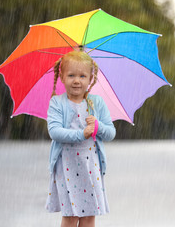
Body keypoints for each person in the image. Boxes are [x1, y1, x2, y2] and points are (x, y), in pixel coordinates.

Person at [45, 50, 116, 227]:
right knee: (70, 216)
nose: (77, 80)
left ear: (91, 78)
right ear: (61, 76)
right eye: (71, 75)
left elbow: (111, 133)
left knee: (89, 215)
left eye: (82, 76)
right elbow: (54, 132)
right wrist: (81, 134)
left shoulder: (96, 103)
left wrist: (98, 126)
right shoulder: (57, 103)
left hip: (90, 166)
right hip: (67, 167)